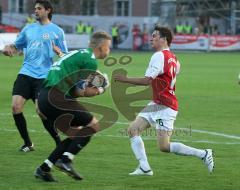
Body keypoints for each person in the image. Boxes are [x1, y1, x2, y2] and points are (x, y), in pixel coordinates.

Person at [114, 25, 214, 176]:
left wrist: (124, 79)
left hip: (165, 106)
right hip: (157, 103)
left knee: (164, 147)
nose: (151, 38)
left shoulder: (159, 56)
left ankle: (204, 154)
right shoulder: (174, 59)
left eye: (154, 36)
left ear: (164, 39)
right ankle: (144, 167)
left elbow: (147, 81)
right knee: (133, 130)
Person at [34, 31, 112, 182]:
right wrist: (102, 88)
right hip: (56, 97)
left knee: (74, 135)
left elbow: (76, 91)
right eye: (108, 47)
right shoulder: (90, 61)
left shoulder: (77, 55)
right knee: (94, 125)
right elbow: (85, 91)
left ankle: (44, 169)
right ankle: (66, 160)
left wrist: (97, 85)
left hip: (45, 97)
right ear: (102, 47)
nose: (109, 50)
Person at [2, 0, 68, 152]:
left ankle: (59, 143)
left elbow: (65, 55)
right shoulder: (28, 28)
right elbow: (16, 46)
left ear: (48, 10)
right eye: (35, 9)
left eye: (39, 9)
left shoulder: (57, 31)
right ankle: (28, 143)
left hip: (44, 77)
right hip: (25, 73)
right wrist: (8, 48)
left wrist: (59, 52)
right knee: (15, 107)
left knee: (41, 112)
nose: (36, 11)